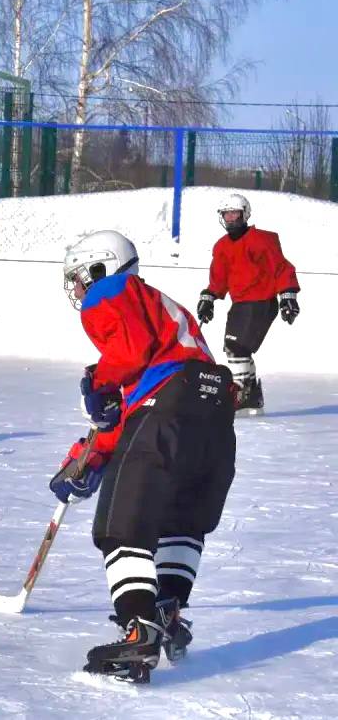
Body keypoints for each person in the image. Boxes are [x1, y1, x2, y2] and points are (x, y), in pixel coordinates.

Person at [49, 230, 237, 683]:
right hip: (215, 417)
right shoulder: (164, 314)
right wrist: (89, 456)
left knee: (120, 525)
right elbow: (136, 412)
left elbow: (136, 374)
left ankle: (139, 630)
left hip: (169, 405)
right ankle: (168, 610)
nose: (79, 291)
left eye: (80, 278)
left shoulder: (113, 291)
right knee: (181, 522)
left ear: (101, 267)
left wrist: (97, 382)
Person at [196, 193, 300, 415]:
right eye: (227, 214)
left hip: (261, 302)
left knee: (236, 347)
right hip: (240, 304)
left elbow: (280, 267)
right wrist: (209, 297)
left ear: (245, 214)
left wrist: (288, 295)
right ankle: (251, 396)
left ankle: (241, 393)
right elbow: (219, 278)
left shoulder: (261, 240)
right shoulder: (222, 246)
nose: (231, 218)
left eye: (235, 213)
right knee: (232, 348)